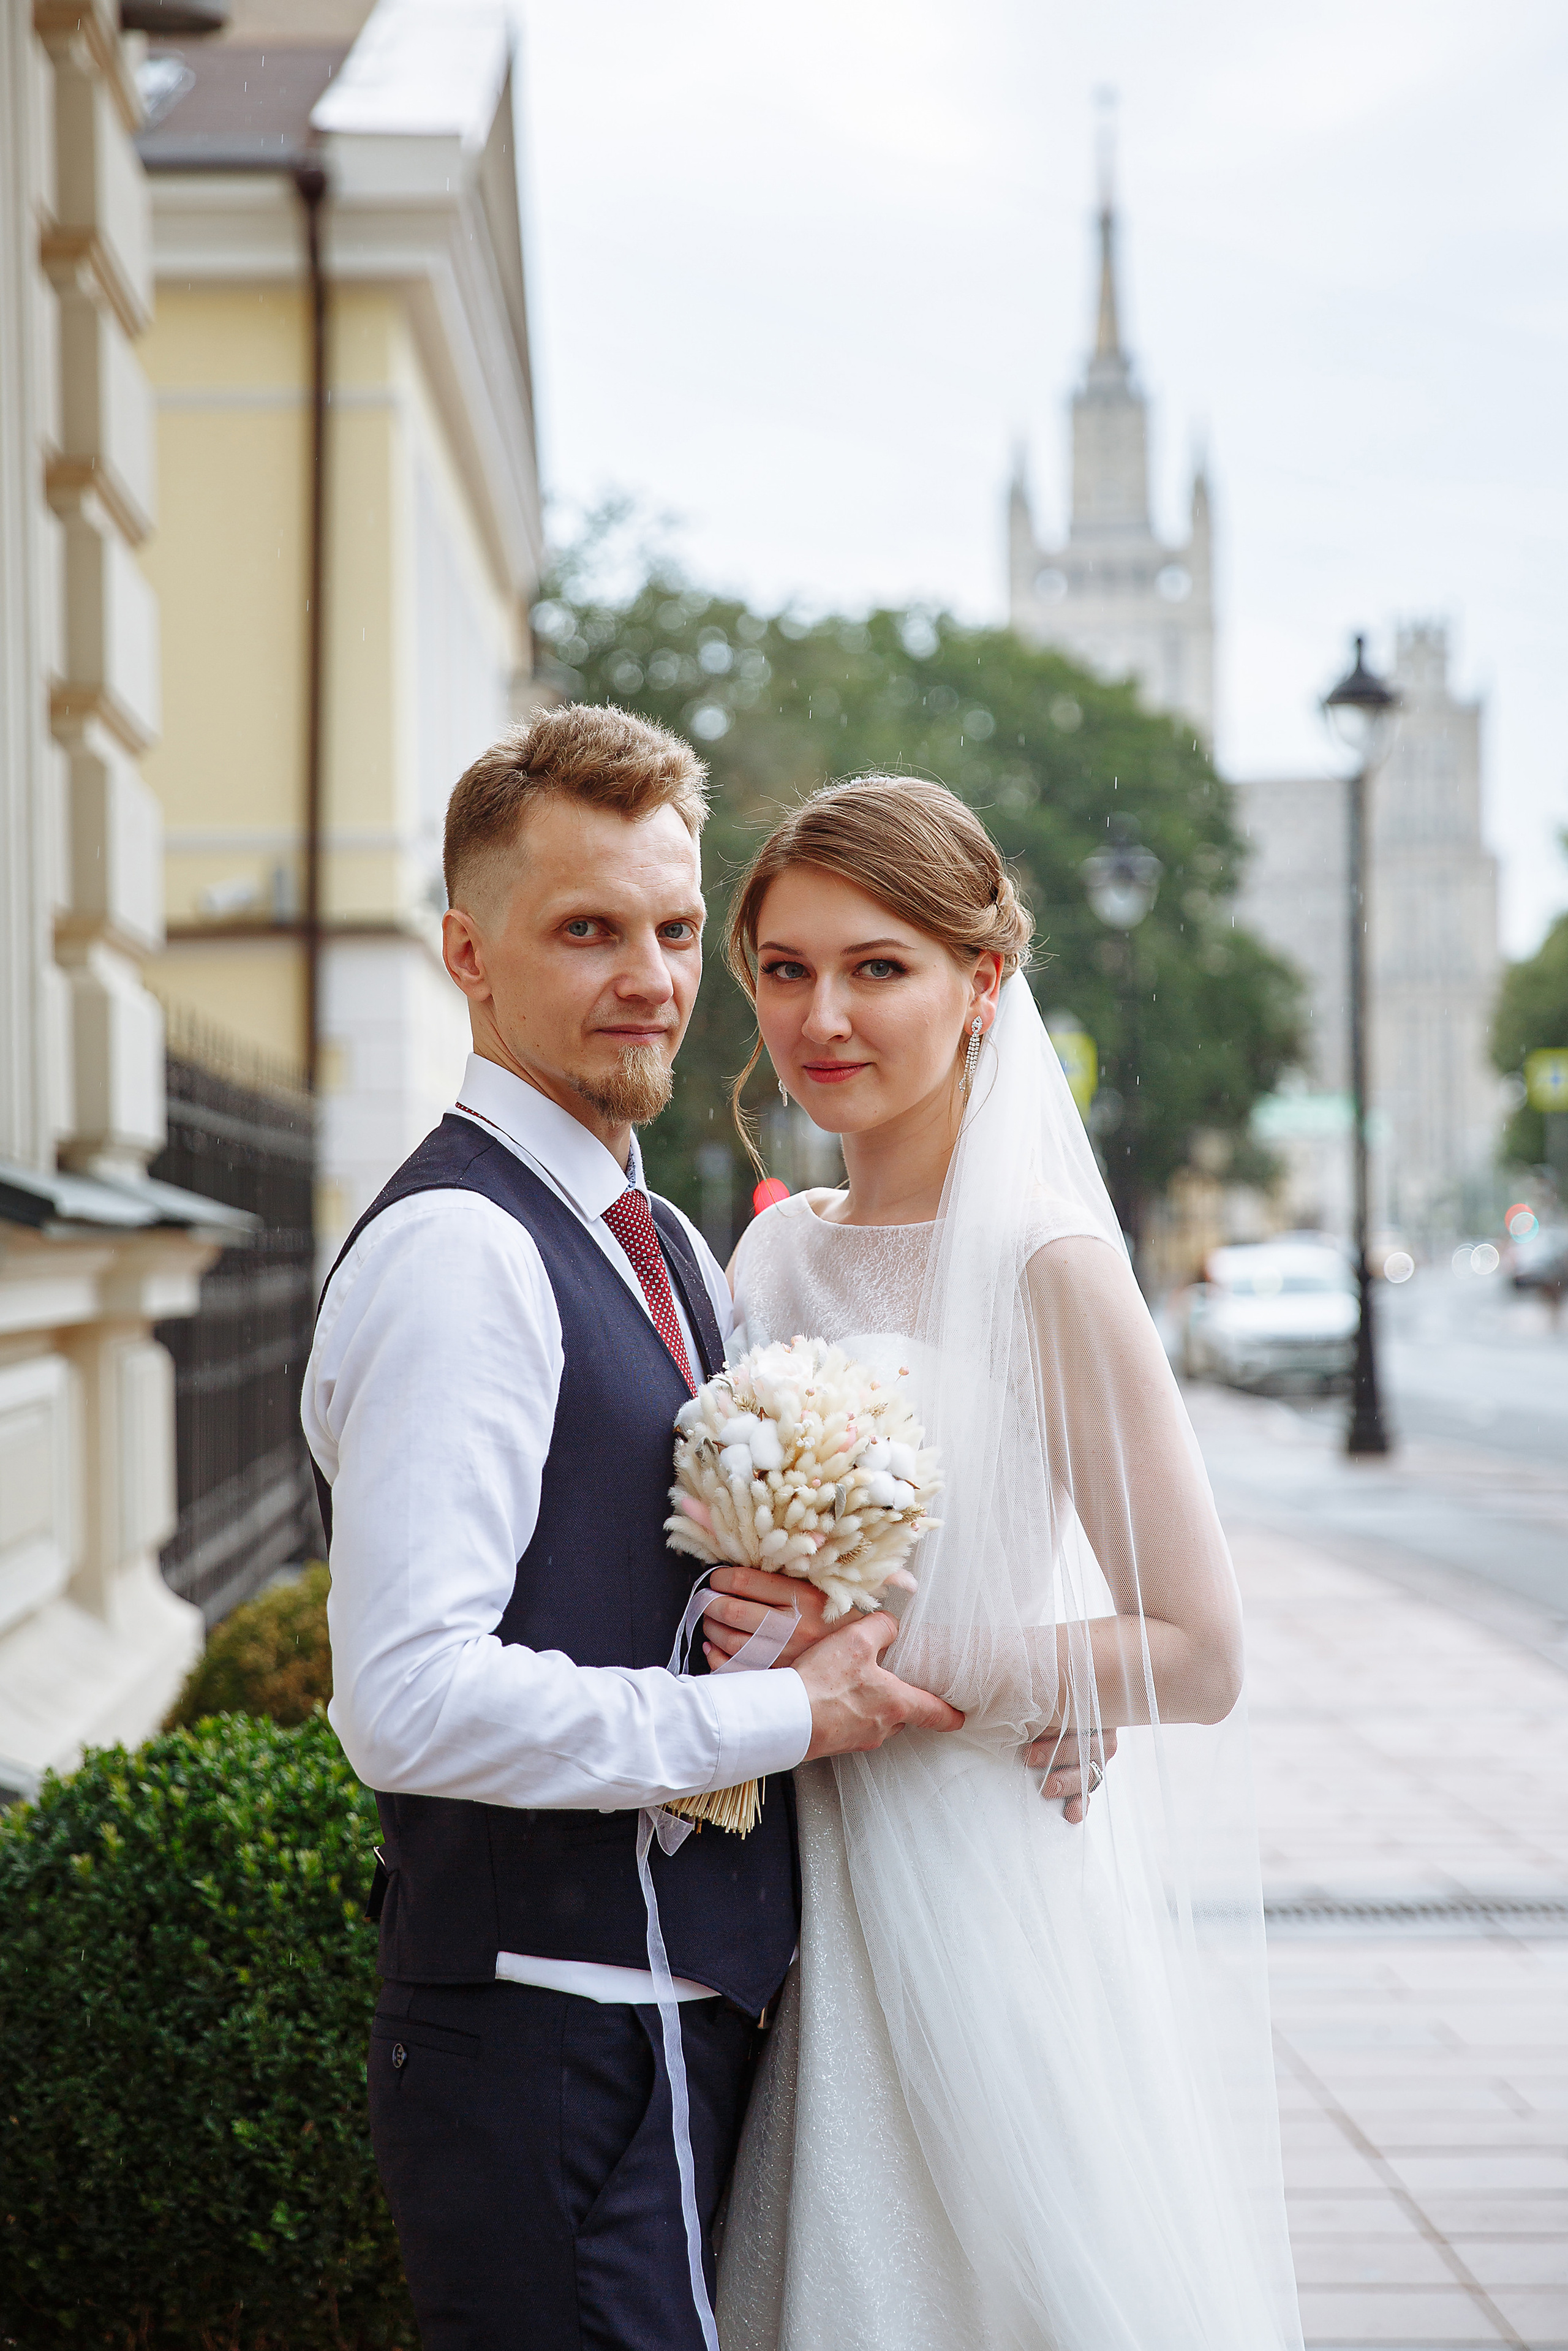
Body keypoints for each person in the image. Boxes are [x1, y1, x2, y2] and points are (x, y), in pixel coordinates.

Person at [301, 709, 1102, 2351]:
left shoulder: (660, 1229)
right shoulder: (465, 1249)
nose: (651, 976)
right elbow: (408, 1695)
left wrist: (1020, 1683)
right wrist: (785, 1712)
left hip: (686, 2013)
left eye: (673, 929)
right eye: (586, 929)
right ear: (468, 952)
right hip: (550, 2028)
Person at [701, 775, 1304, 2350]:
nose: (820, 1012)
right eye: (781, 966)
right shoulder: (769, 1250)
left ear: (979, 983)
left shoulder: (1049, 1259)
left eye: (875, 964)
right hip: (770, 1845)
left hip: (962, 1864)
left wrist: (910, 1670)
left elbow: (1198, 1647)